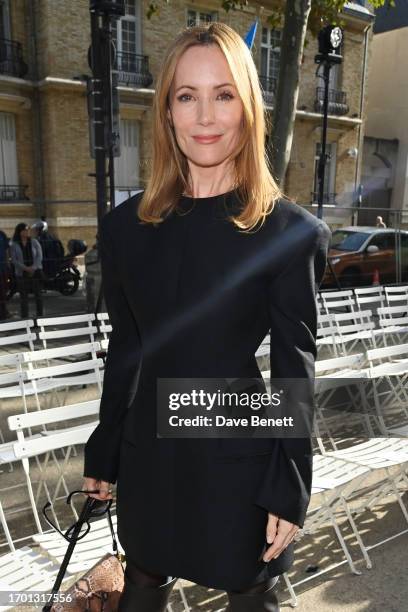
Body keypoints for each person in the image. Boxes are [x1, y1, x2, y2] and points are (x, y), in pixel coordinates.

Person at [82, 22, 331, 612]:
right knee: (142, 587)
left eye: (223, 94)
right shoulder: (124, 229)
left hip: (240, 457)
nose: (205, 115)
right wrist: (105, 450)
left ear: (247, 107)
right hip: (150, 461)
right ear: (167, 110)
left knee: (249, 594)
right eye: (187, 96)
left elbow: (295, 366)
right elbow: (129, 349)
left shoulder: (289, 233)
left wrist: (288, 483)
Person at [9, 223, 44, 319]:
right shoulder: (14, 244)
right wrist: (25, 268)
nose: (27, 231)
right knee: (23, 297)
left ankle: (40, 317)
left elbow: (39, 256)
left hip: (35, 272)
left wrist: (33, 267)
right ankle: (25, 318)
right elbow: (14, 260)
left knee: (38, 296)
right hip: (21, 273)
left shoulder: (34, 242)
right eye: (25, 230)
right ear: (19, 232)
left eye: (28, 229)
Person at [0, 229, 12, 320]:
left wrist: (8, 265)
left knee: (3, 292)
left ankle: (4, 312)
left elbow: (7, 250)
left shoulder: (2, 234)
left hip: (2, 268)